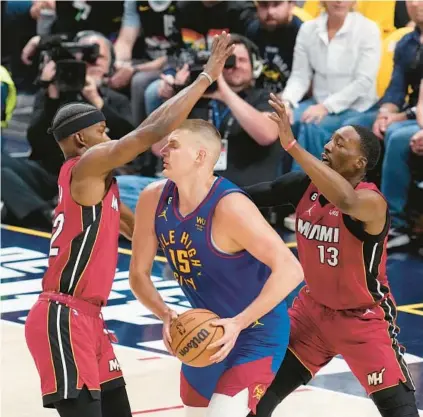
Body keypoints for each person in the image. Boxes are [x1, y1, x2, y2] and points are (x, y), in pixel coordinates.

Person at [24, 32, 235, 417]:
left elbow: (139, 233)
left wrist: (177, 257)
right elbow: (151, 134)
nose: (110, 138)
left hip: (90, 320)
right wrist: (204, 78)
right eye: (102, 132)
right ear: (80, 139)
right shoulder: (83, 167)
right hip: (63, 316)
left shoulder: (102, 187)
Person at [244, 94, 418, 417]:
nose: (328, 146)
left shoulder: (371, 203)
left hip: (363, 320)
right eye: (330, 140)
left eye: (339, 143)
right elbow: (250, 197)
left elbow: (346, 200)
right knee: (256, 400)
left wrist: (293, 146)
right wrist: (207, 193)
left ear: (359, 164)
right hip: (311, 313)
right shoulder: (303, 187)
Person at [129, 120, 304, 416]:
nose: (163, 150)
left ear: (200, 155)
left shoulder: (230, 206)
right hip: (204, 334)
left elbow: (291, 269)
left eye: (174, 145)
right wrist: (166, 314)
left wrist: (238, 322)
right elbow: (138, 274)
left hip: (255, 334)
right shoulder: (153, 198)